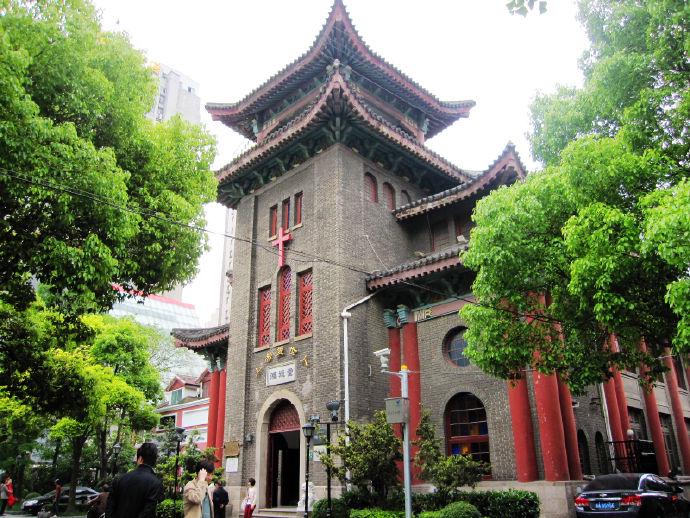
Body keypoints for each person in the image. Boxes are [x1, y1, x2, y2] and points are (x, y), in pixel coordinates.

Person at [105, 442, 163, 518]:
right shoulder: (156, 483)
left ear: (140, 459)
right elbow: (148, 512)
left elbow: (109, 507)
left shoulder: (120, 479)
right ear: (154, 462)